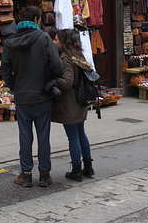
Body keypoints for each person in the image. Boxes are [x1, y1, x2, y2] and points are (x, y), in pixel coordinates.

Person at [1, 6, 62, 188]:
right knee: (43, 135)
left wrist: (15, 86)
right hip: (42, 95)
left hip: (22, 97)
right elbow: (57, 66)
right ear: (36, 19)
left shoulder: (10, 42)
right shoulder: (43, 38)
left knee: (25, 136)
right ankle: (44, 174)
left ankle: (26, 174)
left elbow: (5, 72)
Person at [51, 29, 96, 182]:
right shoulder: (78, 56)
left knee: (73, 137)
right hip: (80, 101)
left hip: (70, 103)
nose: (54, 42)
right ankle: (88, 167)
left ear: (63, 42)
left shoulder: (66, 59)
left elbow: (67, 82)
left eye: (56, 39)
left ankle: (76, 169)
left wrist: (55, 80)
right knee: (81, 133)